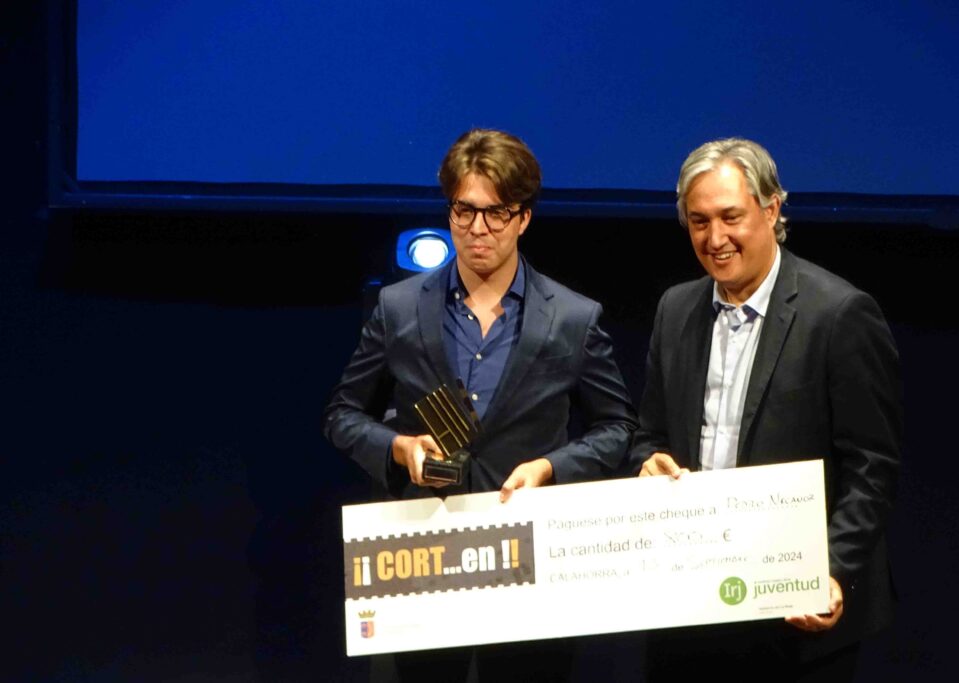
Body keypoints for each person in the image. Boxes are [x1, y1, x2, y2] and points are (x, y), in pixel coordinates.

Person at [323, 128, 638, 682]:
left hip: (531, 556)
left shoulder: (572, 317)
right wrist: (398, 447)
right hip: (425, 556)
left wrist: (550, 467)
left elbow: (616, 427)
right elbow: (342, 415)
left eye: (496, 213)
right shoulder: (399, 308)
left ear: (524, 218)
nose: (477, 229)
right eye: (464, 211)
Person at [632, 138, 901, 681]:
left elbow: (872, 465)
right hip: (692, 610)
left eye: (730, 217)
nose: (715, 239)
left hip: (795, 617)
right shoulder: (675, 308)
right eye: (699, 221)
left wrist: (832, 572)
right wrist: (648, 460)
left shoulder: (839, 314)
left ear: (772, 209)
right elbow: (649, 432)